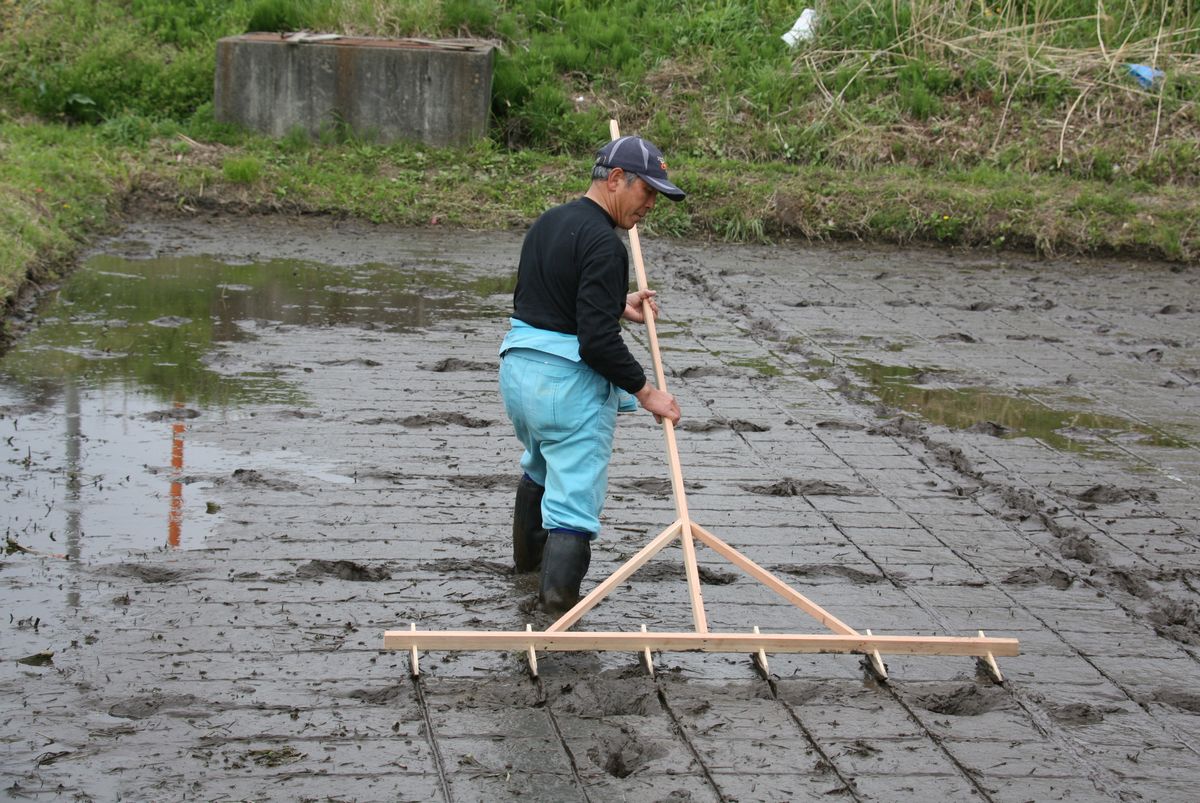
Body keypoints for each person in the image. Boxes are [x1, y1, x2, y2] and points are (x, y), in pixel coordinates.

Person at [499, 135, 685, 615]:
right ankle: (556, 610)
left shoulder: (550, 222)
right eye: (647, 192)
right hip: (566, 388)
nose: (650, 206)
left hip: (520, 376)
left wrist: (615, 305)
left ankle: (525, 576)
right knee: (574, 501)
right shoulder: (606, 243)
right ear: (617, 179)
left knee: (538, 466)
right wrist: (647, 393)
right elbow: (596, 343)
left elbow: (546, 297)